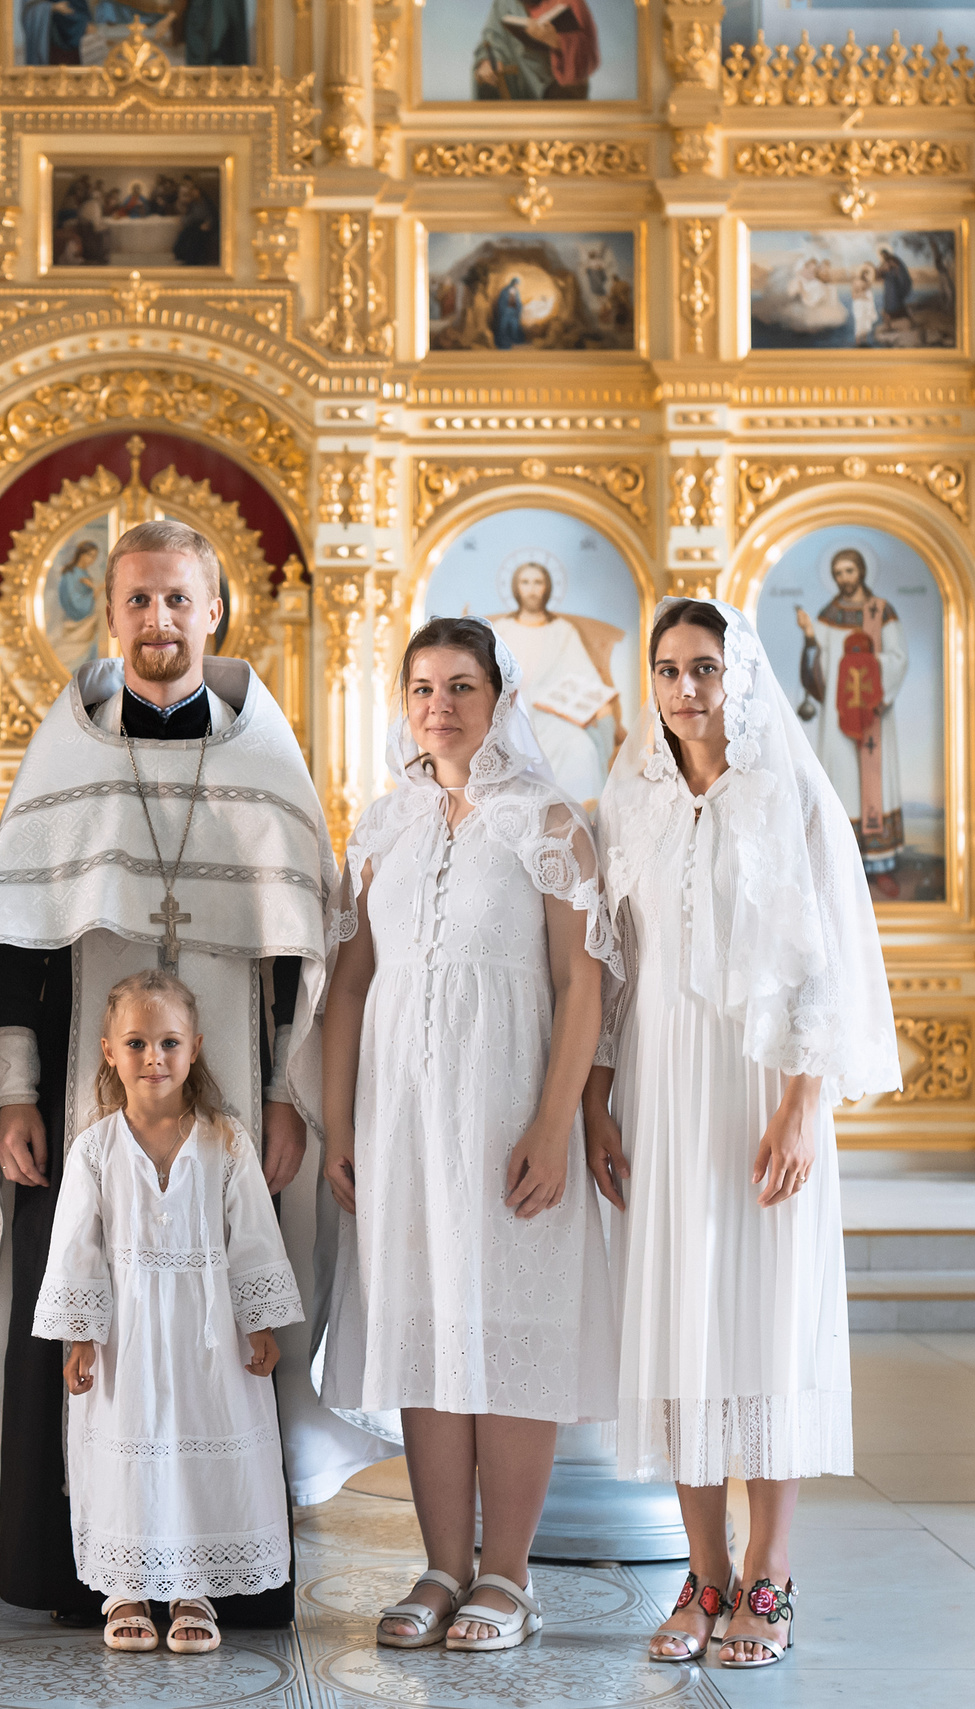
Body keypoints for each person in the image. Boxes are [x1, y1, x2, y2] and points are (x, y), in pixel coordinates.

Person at [0, 517, 386, 1629]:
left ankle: (223, 1561)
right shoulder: (63, 756)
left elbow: (289, 966)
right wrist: (19, 1093)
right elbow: (22, 951)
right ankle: (83, 1562)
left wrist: (280, 1095)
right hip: (84, 1098)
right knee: (84, 1314)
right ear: (108, 610)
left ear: (215, 610)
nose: (159, 621)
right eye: (138, 601)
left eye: (180, 600)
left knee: (227, 1327)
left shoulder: (266, 759)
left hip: (224, 1117)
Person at [583, 598, 899, 1671]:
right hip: (664, 1090)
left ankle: (770, 1567)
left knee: (767, 1313)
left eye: (705, 667)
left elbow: (833, 953)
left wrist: (806, 1099)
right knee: (680, 1314)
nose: (685, 690)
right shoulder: (629, 802)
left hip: (765, 1084)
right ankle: (702, 1568)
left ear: (743, 676)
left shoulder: (789, 794)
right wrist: (596, 1095)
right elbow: (611, 967)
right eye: (668, 670)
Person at [314, 618, 620, 1653]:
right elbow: (348, 984)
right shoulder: (382, 827)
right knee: (427, 1331)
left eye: (459, 684)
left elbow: (583, 979)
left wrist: (550, 1119)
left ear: (499, 696)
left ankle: (507, 1574)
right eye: (421, 686)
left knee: (510, 1333)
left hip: (505, 1117)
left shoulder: (547, 820)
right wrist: (341, 1115)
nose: (438, 704)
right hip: (401, 1120)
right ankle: (443, 1562)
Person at [41, 970, 306, 1653]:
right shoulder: (94, 1150)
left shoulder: (226, 1142)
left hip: (206, 1336)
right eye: (136, 1042)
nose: (153, 1056)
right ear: (108, 1051)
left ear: (195, 1048)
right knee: (127, 1450)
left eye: (168, 1041)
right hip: (125, 1340)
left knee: (196, 1449)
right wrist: (80, 1337)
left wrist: (260, 1321)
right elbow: (78, 1250)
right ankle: (125, 1585)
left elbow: (251, 1238)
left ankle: (193, 1585)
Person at [793, 546, 909, 888]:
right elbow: (821, 668)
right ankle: (841, 866)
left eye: (849, 571)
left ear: (861, 572)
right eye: (838, 573)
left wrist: (866, 672)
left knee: (875, 781)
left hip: (873, 714)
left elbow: (898, 658)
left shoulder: (880, 612)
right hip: (838, 717)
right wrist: (811, 637)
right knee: (841, 781)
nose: (844, 578)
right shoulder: (829, 614)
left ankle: (879, 863)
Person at [484, 557, 625, 801]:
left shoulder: (563, 631)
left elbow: (585, 678)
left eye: (537, 582)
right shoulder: (500, 630)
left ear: (547, 587)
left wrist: (599, 710)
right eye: (525, 582)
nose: (531, 588)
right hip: (510, 714)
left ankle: (579, 817)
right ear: (516, 588)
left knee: (581, 747)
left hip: (554, 716)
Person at [472, 0, 600, 100]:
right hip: (515, 81)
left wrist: (557, 41)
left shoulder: (572, 2)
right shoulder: (504, 3)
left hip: (556, 83)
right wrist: (486, 61)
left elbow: (588, 51)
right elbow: (491, 38)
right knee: (487, 83)